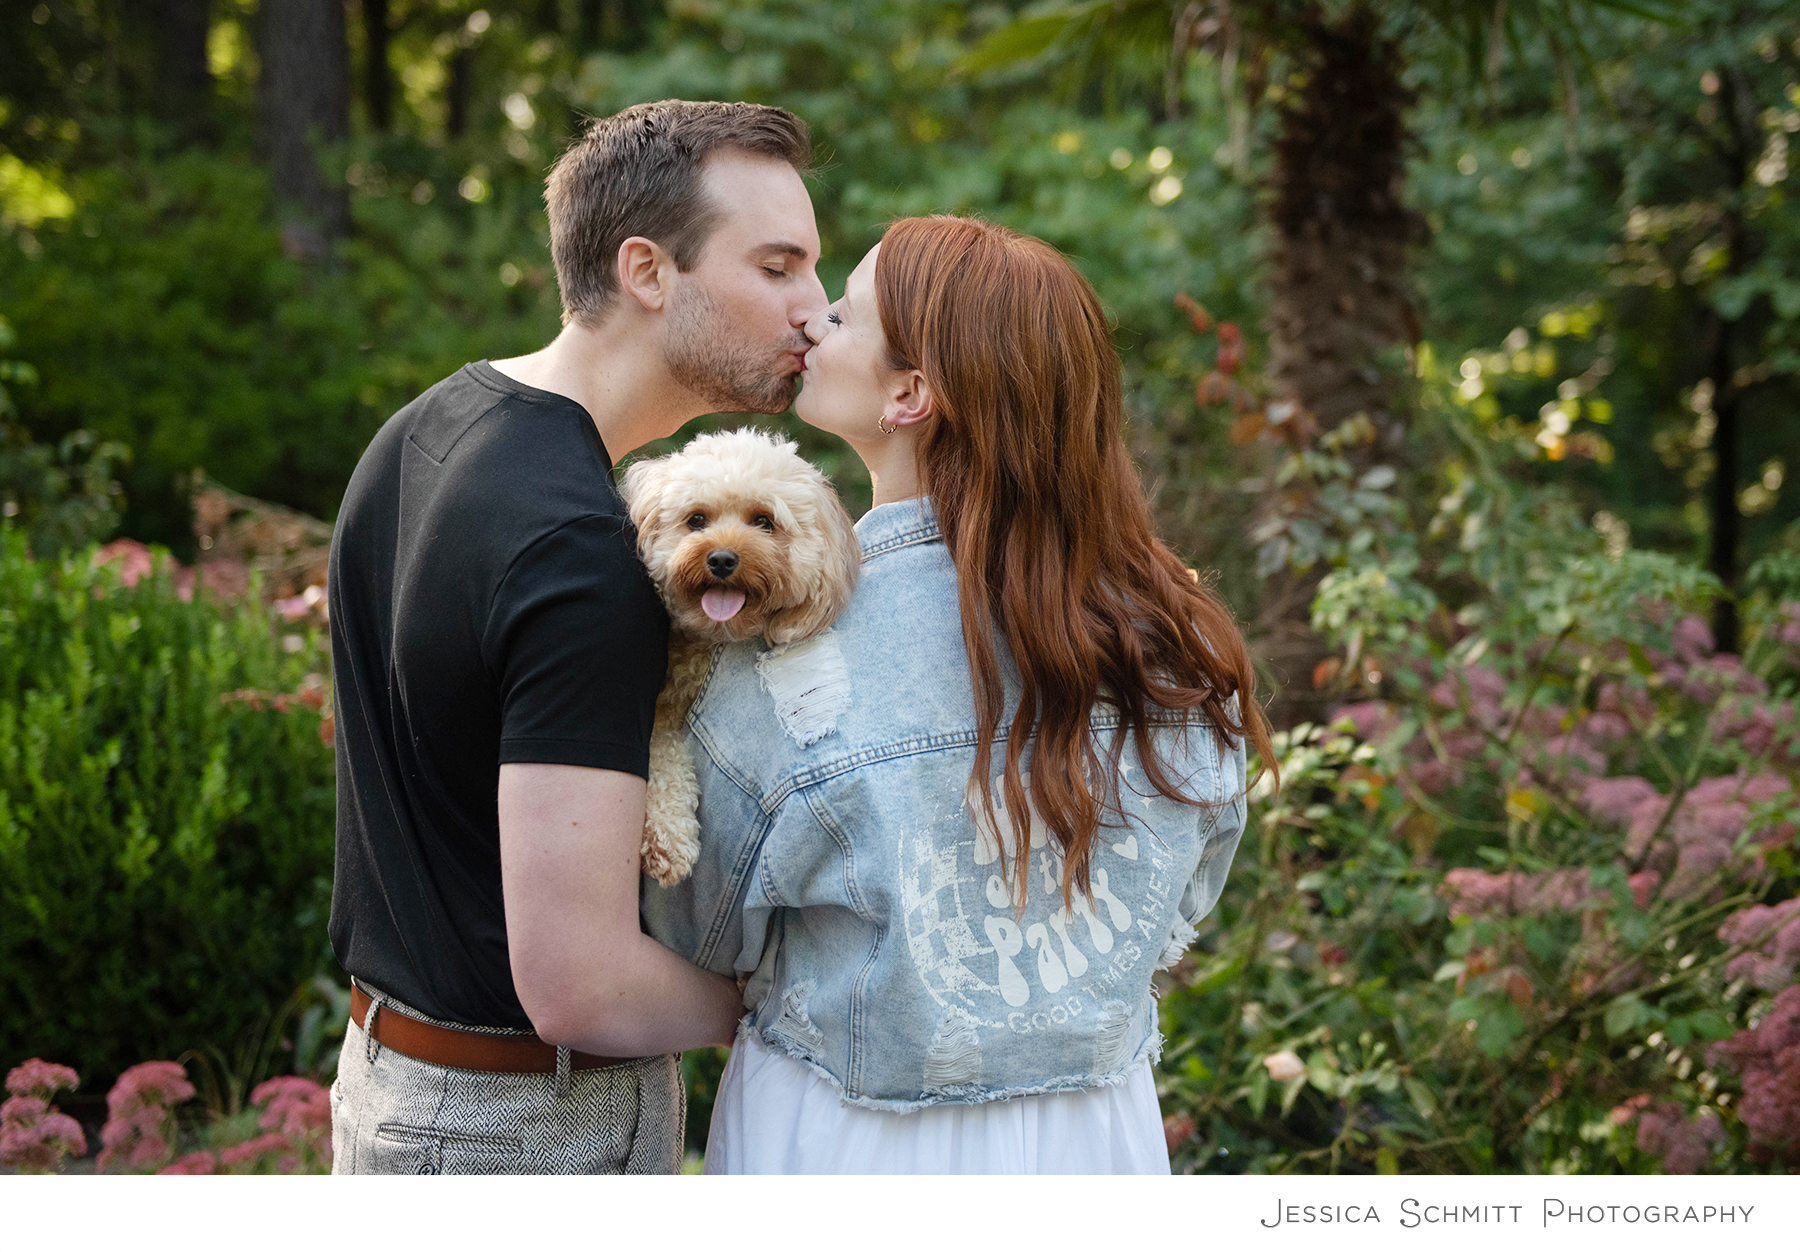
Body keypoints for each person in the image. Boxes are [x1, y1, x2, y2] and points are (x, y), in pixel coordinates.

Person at [643, 215, 1275, 1173]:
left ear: (911, 393)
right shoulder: (1168, 636)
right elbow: (1186, 897)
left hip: (848, 1139)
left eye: (845, 314)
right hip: (1098, 1138)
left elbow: (694, 926)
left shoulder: (786, 655)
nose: (813, 322)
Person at [326, 99, 828, 1175]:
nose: (815, 313)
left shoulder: (428, 427)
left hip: (390, 1082)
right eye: (780, 268)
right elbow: (579, 983)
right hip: (519, 1135)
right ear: (648, 271)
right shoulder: (578, 551)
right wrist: (792, 1005)